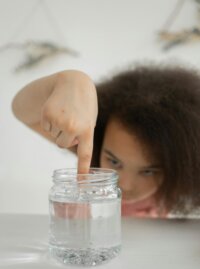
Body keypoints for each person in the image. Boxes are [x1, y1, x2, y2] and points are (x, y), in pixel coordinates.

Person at [12, 64, 200, 218]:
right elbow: (23, 110)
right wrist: (68, 81)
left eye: (148, 171)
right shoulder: (91, 145)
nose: (125, 184)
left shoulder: (183, 175)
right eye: (114, 161)